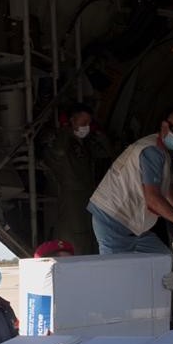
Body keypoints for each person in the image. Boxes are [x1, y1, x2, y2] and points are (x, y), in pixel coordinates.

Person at [87, 109, 173, 254]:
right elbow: (153, 198)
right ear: (164, 126)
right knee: (115, 270)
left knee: (162, 258)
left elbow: (166, 189)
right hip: (114, 219)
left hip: (131, 223)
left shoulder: (160, 149)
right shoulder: (152, 151)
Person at [44, 104, 116, 254]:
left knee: (90, 235)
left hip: (88, 195)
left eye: (89, 124)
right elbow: (58, 152)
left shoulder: (85, 144)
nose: (86, 127)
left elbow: (108, 152)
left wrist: (98, 133)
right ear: (72, 121)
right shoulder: (62, 141)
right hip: (70, 197)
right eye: (83, 123)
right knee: (75, 237)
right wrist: (66, 129)